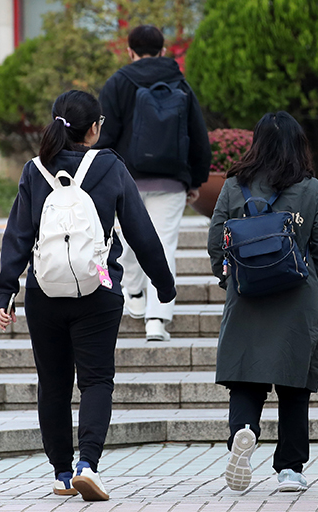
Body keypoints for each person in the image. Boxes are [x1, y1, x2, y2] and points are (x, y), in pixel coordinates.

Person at [0, 90, 176, 501]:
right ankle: (87, 464)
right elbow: (141, 232)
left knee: (53, 384)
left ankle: (60, 473)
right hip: (99, 289)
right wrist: (163, 285)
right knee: (96, 381)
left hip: (44, 292)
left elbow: (18, 236)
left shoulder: (34, 170)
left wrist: (6, 292)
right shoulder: (109, 166)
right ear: (94, 127)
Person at [207, 112, 318, 493]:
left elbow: (217, 239)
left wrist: (227, 278)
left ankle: (243, 433)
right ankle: (290, 469)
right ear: (300, 144)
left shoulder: (235, 185)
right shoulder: (312, 189)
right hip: (296, 297)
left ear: (257, 143)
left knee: (245, 379)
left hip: (247, 295)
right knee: (294, 385)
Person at [95, 24, 211, 342]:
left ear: (130, 51)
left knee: (131, 239)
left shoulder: (118, 83)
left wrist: (98, 177)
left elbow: (104, 136)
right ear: (163, 50)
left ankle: (133, 294)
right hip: (172, 180)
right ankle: (157, 319)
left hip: (127, 180)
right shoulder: (180, 82)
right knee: (164, 245)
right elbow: (198, 135)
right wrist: (196, 178)